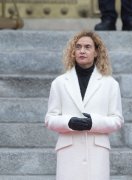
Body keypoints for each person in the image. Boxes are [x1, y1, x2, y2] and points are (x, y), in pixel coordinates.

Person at [45, 31, 124, 180]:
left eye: (88, 47)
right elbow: (50, 119)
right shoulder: (59, 83)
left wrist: (92, 123)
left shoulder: (110, 84)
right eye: (78, 47)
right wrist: (69, 122)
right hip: (68, 151)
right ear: (73, 52)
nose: (82, 51)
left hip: (97, 153)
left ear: (96, 52)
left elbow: (117, 120)